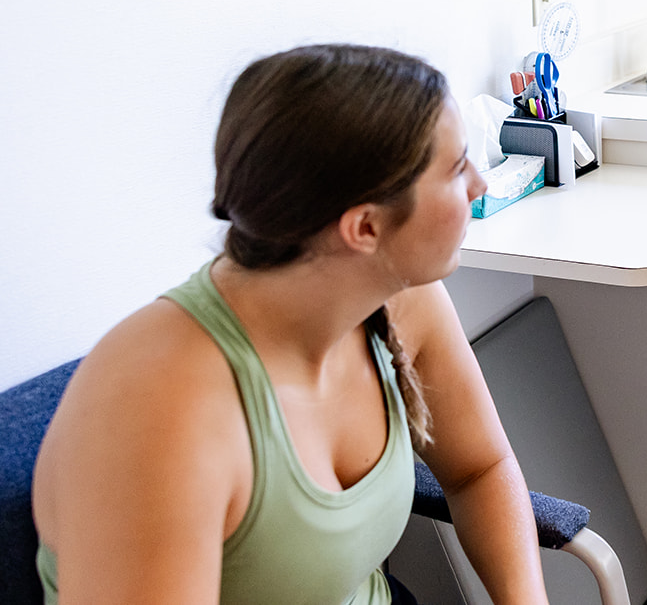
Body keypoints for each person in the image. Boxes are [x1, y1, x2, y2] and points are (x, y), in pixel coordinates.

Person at [32, 43, 551, 605]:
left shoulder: (402, 297)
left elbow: (479, 470)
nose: (478, 182)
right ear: (364, 229)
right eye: (454, 170)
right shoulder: (160, 409)